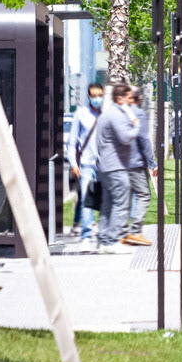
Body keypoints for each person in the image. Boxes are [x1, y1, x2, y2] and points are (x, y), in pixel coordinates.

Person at [93, 83, 139, 254]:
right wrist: (136, 126)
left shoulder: (106, 114)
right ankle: (112, 241)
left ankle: (104, 241)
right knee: (121, 202)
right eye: (128, 98)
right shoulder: (116, 115)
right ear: (120, 98)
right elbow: (126, 138)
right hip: (115, 167)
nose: (131, 101)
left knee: (107, 204)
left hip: (104, 166)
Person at [66, 82, 104, 244]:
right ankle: (86, 235)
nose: (97, 99)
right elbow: (72, 141)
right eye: (94, 96)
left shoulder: (106, 115)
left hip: (104, 164)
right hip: (87, 164)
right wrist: (73, 163)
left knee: (105, 199)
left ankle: (105, 233)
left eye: (99, 95)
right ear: (88, 96)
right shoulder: (80, 114)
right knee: (87, 200)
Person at [122, 87, 156, 246]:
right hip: (135, 162)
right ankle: (135, 231)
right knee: (144, 194)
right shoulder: (139, 114)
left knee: (126, 196)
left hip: (120, 163)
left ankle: (122, 232)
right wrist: (152, 163)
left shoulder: (120, 114)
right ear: (138, 98)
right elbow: (143, 140)